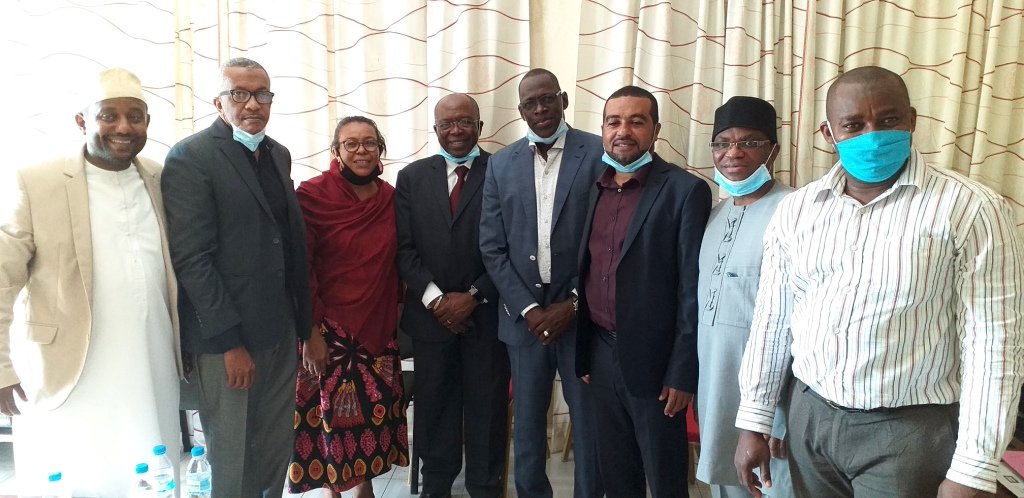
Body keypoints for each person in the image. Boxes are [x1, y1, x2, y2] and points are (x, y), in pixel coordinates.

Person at [734, 65, 1024, 498]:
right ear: (829, 133)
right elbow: (773, 320)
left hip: (908, 432)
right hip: (810, 419)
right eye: (854, 125)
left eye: (889, 120)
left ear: (912, 120)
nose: (873, 135)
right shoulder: (798, 210)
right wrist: (754, 420)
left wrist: (974, 467)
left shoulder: (971, 209)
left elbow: (994, 343)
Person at [0, 68, 182, 496]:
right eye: (108, 115)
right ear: (82, 121)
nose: (123, 128)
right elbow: (3, 277)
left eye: (135, 117)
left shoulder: (160, 177)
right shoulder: (38, 181)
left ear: (148, 122)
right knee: (79, 474)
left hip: (152, 358)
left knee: (152, 468)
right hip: (71, 366)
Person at [162, 57, 312, 498]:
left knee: (274, 447)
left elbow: (286, 242)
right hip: (228, 340)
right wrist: (230, 343)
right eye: (239, 94)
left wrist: (304, 327)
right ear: (219, 102)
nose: (252, 104)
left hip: (279, 330)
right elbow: (193, 259)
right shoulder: (192, 156)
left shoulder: (277, 153)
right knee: (231, 454)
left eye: (262, 94)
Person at [575, 85, 711, 497]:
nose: (623, 131)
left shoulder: (685, 191)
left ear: (655, 130)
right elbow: (586, 271)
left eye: (636, 121)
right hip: (600, 353)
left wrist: (682, 372)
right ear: (602, 129)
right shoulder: (593, 187)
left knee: (665, 480)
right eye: (613, 122)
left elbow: (692, 290)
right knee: (616, 476)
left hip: (657, 363)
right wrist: (585, 352)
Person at [479, 68, 604, 498]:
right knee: (528, 426)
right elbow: (492, 247)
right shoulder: (500, 164)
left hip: (581, 315)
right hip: (524, 321)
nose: (540, 109)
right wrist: (530, 309)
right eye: (530, 103)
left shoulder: (599, 152)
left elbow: (608, 239)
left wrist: (573, 303)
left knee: (588, 423)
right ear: (521, 110)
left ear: (563, 100)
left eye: (547, 99)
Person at [288, 116, 409, 497]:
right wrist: (310, 333)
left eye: (369, 143)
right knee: (331, 421)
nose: (361, 151)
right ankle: (334, 491)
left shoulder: (391, 199)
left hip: (378, 328)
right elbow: (301, 267)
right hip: (328, 331)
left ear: (380, 149)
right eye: (351, 144)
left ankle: (364, 488)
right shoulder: (312, 196)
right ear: (335, 151)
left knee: (370, 422)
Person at [396, 94, 509, 498]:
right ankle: (436, 486)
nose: (456, 130)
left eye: (464, 122)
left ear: (479, 126)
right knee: (434, 408)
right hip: (431, 319)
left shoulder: (504, 170)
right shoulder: (411, 177)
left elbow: (513, 245)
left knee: (487, 409)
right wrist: (437, 300)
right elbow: (404, 249)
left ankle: (484, 487)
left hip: (488, 317)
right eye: (447, 124)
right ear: (436, 129)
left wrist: (473, 295)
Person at [696, 96, 794, 498]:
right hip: (716, 386)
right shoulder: (713, 216)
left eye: (749, 142)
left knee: (772, 487)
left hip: (774, 402)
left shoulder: (795, 211)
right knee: (726, 483)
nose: (733, 153)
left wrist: (784, 418)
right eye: (722, 143)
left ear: (773, 150)